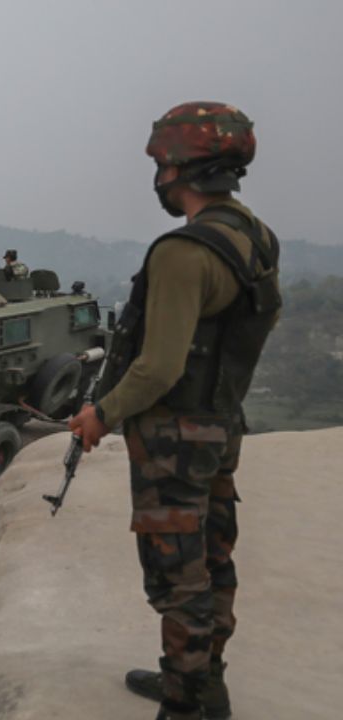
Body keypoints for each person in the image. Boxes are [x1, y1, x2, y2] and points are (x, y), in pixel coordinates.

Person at [68, 102, 280, 720]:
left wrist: (100, 414)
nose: (157, 177)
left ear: (179, 168)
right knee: (213, 561)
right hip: (220, 423)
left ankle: (186, 705)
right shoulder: (254, 235)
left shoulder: (182, 253)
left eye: (161, 165)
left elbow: (158, 367)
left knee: (177, 581)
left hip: (173, 441)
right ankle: (205, 687)